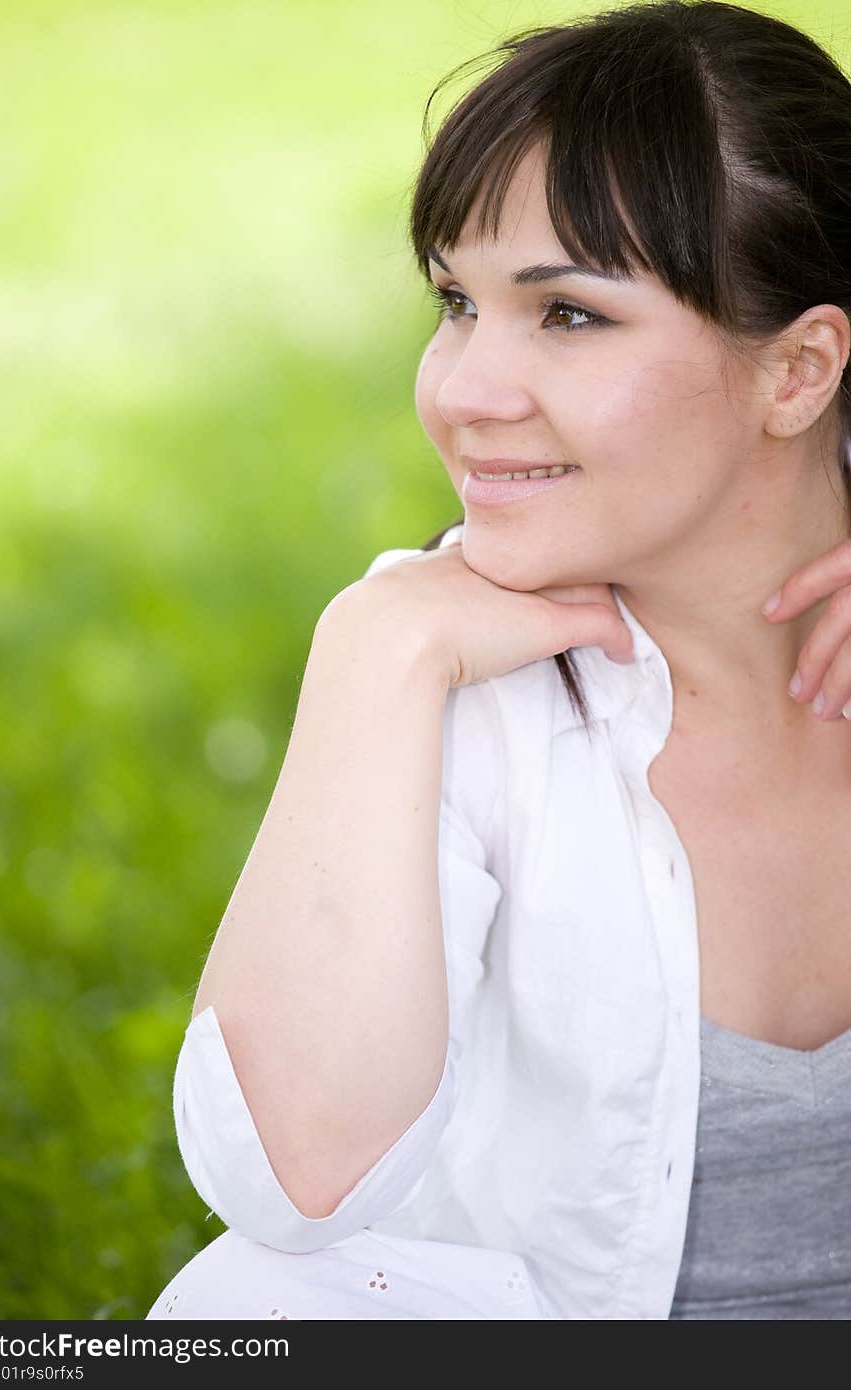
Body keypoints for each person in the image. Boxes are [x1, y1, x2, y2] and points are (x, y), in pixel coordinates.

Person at [147, 0, 851, 1320]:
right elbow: (294, 1188)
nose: (464, 388)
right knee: (241, 1311)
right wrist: (373, 651)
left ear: (800, 369)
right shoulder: (458, 675)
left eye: (569, 316)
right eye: (457, 302)